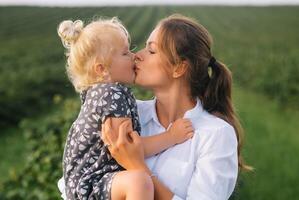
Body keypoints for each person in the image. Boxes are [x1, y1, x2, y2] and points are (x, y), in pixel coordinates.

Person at [101, 14, 252, 200]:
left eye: (152, 51)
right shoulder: (127, 115)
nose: (137, 56)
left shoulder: (215, 135)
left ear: (179, 68)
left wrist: (136, 165)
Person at [57, 17, 194, 200]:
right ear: (102, 69)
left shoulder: (102, 94)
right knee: (140, 182)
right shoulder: (111, 95)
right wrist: (171, 137)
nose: (134, 56)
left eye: (151, 51)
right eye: (125, 53)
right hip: (92, 184)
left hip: (89, 184)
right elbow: (129, 148)